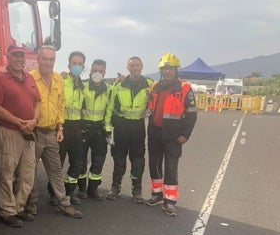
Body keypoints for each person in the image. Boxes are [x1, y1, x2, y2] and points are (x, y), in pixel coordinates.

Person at [24, 46, 83, 219]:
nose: (48, 63)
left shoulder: (58, 79)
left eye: (51, 59)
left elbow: (60, 104)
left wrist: (60, 127)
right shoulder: (29, 78)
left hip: (51, 133)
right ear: (38, 59)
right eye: (45, 59)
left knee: (56, 170)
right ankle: (31, 203)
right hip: (34, 132)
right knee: (30, 170)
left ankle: (64, 203)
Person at [0, 44, 41, 228]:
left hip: (29, 131)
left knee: (28, 173)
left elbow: (37, 102)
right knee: (6, 172)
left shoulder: (29, 78)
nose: (19, 59)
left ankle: (19, 207)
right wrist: (20, 122)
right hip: (10, 131)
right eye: (15, 56)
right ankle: (7, 211)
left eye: (22, 56)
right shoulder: (0, 79)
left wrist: (34, 120)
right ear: (8, 57)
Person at [146, 53, 197, 216]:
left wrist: (185, 134)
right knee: (154, 166)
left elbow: (192, 114)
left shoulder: (185, 88)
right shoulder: (155, 87)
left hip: (173, 136)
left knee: (170, 168)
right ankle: (157, 194)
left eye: (170, 69)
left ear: (176, 70)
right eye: (164, 69)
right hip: (155, 133)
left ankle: (169, 201)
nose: (167, 71)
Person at [107, 56, 154, 203]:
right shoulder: (118, 85)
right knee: (119, 158)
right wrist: (108, 128)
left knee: (138, 159)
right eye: (131, 66)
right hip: (121, 126)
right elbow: (110, 107)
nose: (134, 68)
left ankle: (137, 189)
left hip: (138, 127)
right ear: (128, 68)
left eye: (137, 65)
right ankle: (116, 187)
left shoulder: (150, 85)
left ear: (142, 67)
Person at [77, 59, 112, 201]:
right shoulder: (82, 85)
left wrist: (108, 130)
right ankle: (81, 189)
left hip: (99, 130)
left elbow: (108, 111)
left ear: (105, 72)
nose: (97, 73)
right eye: (95, 70)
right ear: (90, 70)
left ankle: (93, 189)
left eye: (101, 71)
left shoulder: (109, 89)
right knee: (81, 161)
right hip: (83, 129)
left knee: (99, 161)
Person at [55, 51, 86, 205]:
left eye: (80, 64)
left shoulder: (83, 86)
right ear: (68, 65)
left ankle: (69, 191)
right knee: (58, 162)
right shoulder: (61, 81)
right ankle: (54, 193)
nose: (77, 66)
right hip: (62, 126)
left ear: (83, 67)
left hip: (77, 127)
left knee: (77, 162)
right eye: (74, 63)